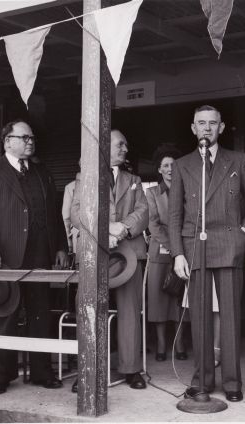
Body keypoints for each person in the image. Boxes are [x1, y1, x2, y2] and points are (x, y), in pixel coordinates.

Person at [168, 105, 245, 402]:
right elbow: (174, 215)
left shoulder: (237, 159)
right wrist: (178, 254)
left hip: (228, 245)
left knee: (231, 317)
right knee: (199, 317)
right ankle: (202, 381)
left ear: (221, 128)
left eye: (213, 123)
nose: (207, 128)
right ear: (193, 128)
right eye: (201, 123)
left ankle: (233, 382)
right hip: (194, 245)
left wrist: (243, 233)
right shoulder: (183, 164)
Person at [0, 119, 69, 394]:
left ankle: (41, 371)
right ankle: (1, 375)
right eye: (23, 138)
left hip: (40, 253)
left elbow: (54, 215)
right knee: (5, 313)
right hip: (4, 255)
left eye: (31, 138)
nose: (30, 142)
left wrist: (60, 246)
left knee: (40, 313)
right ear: (7, 141)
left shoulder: (42, 173)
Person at [71, 129, 149, 390]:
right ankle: (87, 370)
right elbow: (77, 213)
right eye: (120, 144)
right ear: (104, 147)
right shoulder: (87, 177)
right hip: (95, 253)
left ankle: (131, 369)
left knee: (129, 312)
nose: (125, 148)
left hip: (128, 254)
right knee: (91, 310)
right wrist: (107, 229)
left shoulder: (134, 179)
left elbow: (143, 212)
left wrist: (123, 228)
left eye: (126, 144)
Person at [146, 146, 186, 361]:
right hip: (160, 252)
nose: (170, 169)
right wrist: (174, 248)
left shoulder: (187, 190)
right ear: (159, 170)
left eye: (173, 165)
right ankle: (161, 343)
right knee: (159, 299)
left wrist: (180, 249)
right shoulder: (151, 192)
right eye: (166, 166)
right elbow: (153, 224)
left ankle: (179, 343)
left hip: (184, 252)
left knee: (180, 299)